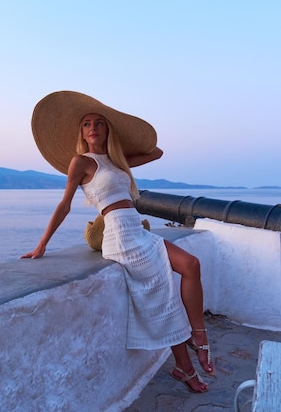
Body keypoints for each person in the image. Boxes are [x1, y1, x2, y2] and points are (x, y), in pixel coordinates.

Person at [21, 91, 214, 393]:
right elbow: (64, 205)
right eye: (86, 124)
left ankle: (194, 341)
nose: (93, 128)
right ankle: (189, 359)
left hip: (137, 230)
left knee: (189, 267)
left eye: (99, 123)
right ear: (81, 133)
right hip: (119, 235)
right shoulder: (80, 162)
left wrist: (119, 142)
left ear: (108, 130)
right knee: (163, 293)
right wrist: (42, 244)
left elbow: (157, 152)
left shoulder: (115, 160)